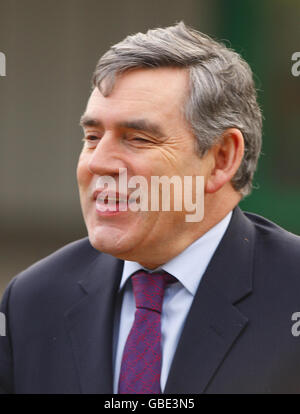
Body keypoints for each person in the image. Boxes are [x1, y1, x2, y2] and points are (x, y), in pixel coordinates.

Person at [1, 21, 300, 395]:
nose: (98, 163)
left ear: (222, 158)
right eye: (92, 137)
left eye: (138, 139)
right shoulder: (32, 302)